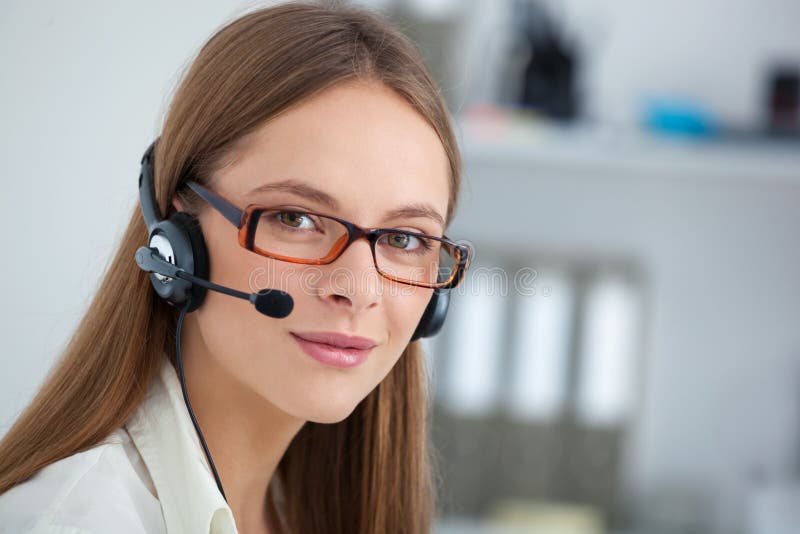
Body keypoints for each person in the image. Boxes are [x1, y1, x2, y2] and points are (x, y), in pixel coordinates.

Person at [0, 1, 472, 533]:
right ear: (176, 243)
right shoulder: (75, 522)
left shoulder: (304, 509)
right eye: (295, 218)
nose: (358, 290)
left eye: (405, 237)